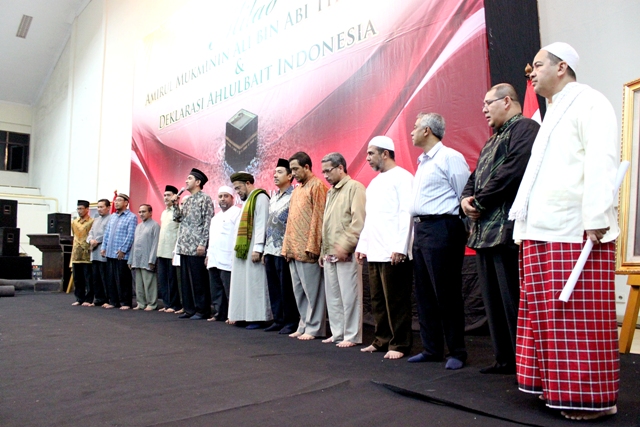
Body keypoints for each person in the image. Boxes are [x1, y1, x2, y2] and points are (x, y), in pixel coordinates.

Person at [509, 42, 620, 421]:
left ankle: (589, 400)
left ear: (562, 68)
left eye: (538, 65)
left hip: (575, 232)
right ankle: (556, 390)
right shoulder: (549, 114)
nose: (531, 72)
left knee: (577, 318)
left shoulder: (590, 102)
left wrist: (596, 215)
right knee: (548, 319)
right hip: (542, 231)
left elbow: (602, 159)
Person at [460, 84, 539, 374]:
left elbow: (513, 171)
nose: (483, 109)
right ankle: (504, 359)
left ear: (507, 101)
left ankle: (524, 363)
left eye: (487, 103)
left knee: (511, 301)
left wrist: (478, 201)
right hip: (483, 233)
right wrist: (465, 199)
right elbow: (474, 177)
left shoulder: (526, 129)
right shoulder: (491, 141)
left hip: (506, 231)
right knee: (492, 303)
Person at [408, 113, 470, 370]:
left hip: (443, 227)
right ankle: (431, 348)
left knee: (446, 292)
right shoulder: (422, 162)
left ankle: (457, 351)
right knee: (424, 294)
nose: (411, 131)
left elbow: (464, 194)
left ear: (427, 131)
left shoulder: (450, 157)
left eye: (415, 127)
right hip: (421, 230)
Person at [355, 136, 414, 359]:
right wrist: (363, 245)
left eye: (371, 153)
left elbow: (406, 214)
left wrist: (400, 247)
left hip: (394, 252)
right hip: (375, 251)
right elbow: (370, 218)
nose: (368, 158)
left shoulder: (403, 177)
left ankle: (399, 344)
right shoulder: (375, 182)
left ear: (385, 153)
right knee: (378, 300)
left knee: (396, 301)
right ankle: (381, 340)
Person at [319, 152, 366, 348]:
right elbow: (326, 224)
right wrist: (323, 250)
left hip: (347, 252)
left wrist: (345, 246)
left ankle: (352, 335)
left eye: (328, 171)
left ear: (340, 168)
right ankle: (338, 333)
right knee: (334, 296)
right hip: (330, 251)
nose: (325, 176)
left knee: (350, 296)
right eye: (323, 172)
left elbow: (358, 222)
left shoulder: (355, 187)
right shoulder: (331, 192)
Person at [281, 152, 328, 340]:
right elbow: (290, 220)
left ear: (307, 167)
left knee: (313, 292)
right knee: (298, 291)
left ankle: (315, 327)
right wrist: (286, 247)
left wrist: (314, 246)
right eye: (291, 170)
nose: (292, 174)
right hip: (293, 249)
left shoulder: (317, 186)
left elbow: (319, 218)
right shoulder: (297, 189)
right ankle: (304, 324)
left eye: (295, 169)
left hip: (308, 249)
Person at [227, 171, 272, 329]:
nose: (238, 192)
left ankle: (257, 317)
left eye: (239, 187)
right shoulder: (246, 202)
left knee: (255, 283)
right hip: (243, 251)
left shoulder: (260, 197)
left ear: (248, 183)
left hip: (253, 249)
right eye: (235, 189)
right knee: (242, 283)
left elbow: (262, 223)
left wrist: (258, 248)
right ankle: (242, 315)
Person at [172, 168, 214, 320]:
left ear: (198, 182)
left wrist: (203, 243)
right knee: (185, 280)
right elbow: (177, 219)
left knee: (199, 280)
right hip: (184, 246)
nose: (186, 181)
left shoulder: (205, 199)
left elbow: (208, 222)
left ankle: (202, 310)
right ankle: (189, 309)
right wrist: (175, 205)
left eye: (189, 178)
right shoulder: (187, 200)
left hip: (197, 246)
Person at [263, 159, 299, 334]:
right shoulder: (274, 196)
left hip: (284, 249)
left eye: (279, 172)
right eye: (274, 172)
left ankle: (291, 321)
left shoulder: (295, 195)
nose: (275, 175)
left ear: (290, 176)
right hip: (270, 249)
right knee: (274, 287)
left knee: (287, 288)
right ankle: (278, 320)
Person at [205, 186, 241, 322]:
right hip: (214, 257)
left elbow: (236, 237)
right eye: (220, 196)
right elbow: (212, 238)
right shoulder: (216, 217)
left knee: (229, 288)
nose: (222, 199)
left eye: (226, 196)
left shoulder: (237, 212)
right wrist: (208, 255)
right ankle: (219, 313)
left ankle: (233, 315)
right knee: (216, 288)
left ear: (232, 198)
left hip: (228, 257)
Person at [101, 193, 138, 310]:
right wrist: (104, 247)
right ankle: (113, 301)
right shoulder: (113, 217)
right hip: (110, 252)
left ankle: (125, 302)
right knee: (111, 279)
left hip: (122, 254)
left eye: (119, 200)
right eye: (115, 201)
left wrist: (123, 249)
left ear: (126, 203)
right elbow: (107, 233)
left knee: (123, 279)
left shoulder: (131, 217)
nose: (116, 203)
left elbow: (130, 235)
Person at [129, 204, 160, 311]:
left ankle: (151, 304)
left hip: (148, 259)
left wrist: (152, 260)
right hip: (137, 259)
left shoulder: (155, 225)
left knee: (149, 283)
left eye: (144, 211)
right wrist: (130, 259)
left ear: (150, 213)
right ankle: (141, 303)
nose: (141, 214)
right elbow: (134, 243)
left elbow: (155, 244)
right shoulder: (138, 226)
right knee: (139, 284)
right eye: (140, 212)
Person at [157, 185, 182, 313]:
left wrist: (176, 250)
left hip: (172, 250)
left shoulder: (179, 210)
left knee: (172, 280)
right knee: (163, 279)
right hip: (162, 250)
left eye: (169, 195)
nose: (166, 197)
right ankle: (167, 304)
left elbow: (179, 231)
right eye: (165, 195)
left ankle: (174, 305)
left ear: (175, 196)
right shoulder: (164, 212)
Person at [87, 198, 111, 306]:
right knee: (95, 278)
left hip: (103, 252)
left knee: (104, 277)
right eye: (98, 207)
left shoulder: (111, 219)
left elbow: (108, 233)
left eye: (102, 207)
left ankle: (106, 300)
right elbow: (90, 233)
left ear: (108, 208)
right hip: (94, 252)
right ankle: (98, 299)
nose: (99, 209)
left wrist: (97, 241)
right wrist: (91, 240)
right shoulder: (96, 220)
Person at [70, 200, 94, 306]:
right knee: (77, 278)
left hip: (87, 253)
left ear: (87, 209)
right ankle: (79, 298)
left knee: (88, 278)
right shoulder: (74, 222)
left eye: (81, 209)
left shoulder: (92, 221)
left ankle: (88, 299)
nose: (79, 211)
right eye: (78, 209)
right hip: (76, 253)